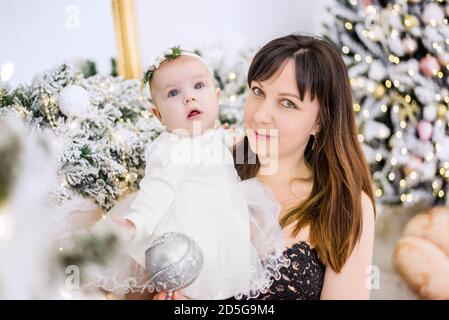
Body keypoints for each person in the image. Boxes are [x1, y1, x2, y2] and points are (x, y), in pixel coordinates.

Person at [154, 34, 376, 300]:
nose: (260, 115)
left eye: (287, 103)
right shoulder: (208, 170)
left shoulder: (345, 206)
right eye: (258, 91)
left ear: (320, 121)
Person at [95, 47, 289, 300]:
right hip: (192, 240)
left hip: (225, 230)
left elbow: (232, 150)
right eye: (174, 93)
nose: (189, 98)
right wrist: (136, 222)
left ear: (217, 96)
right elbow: (157, 189)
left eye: (198, 86)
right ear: (158, 115)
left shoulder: (215, 137)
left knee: (230, 291)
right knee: (196, 291)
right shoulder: (172, 148)